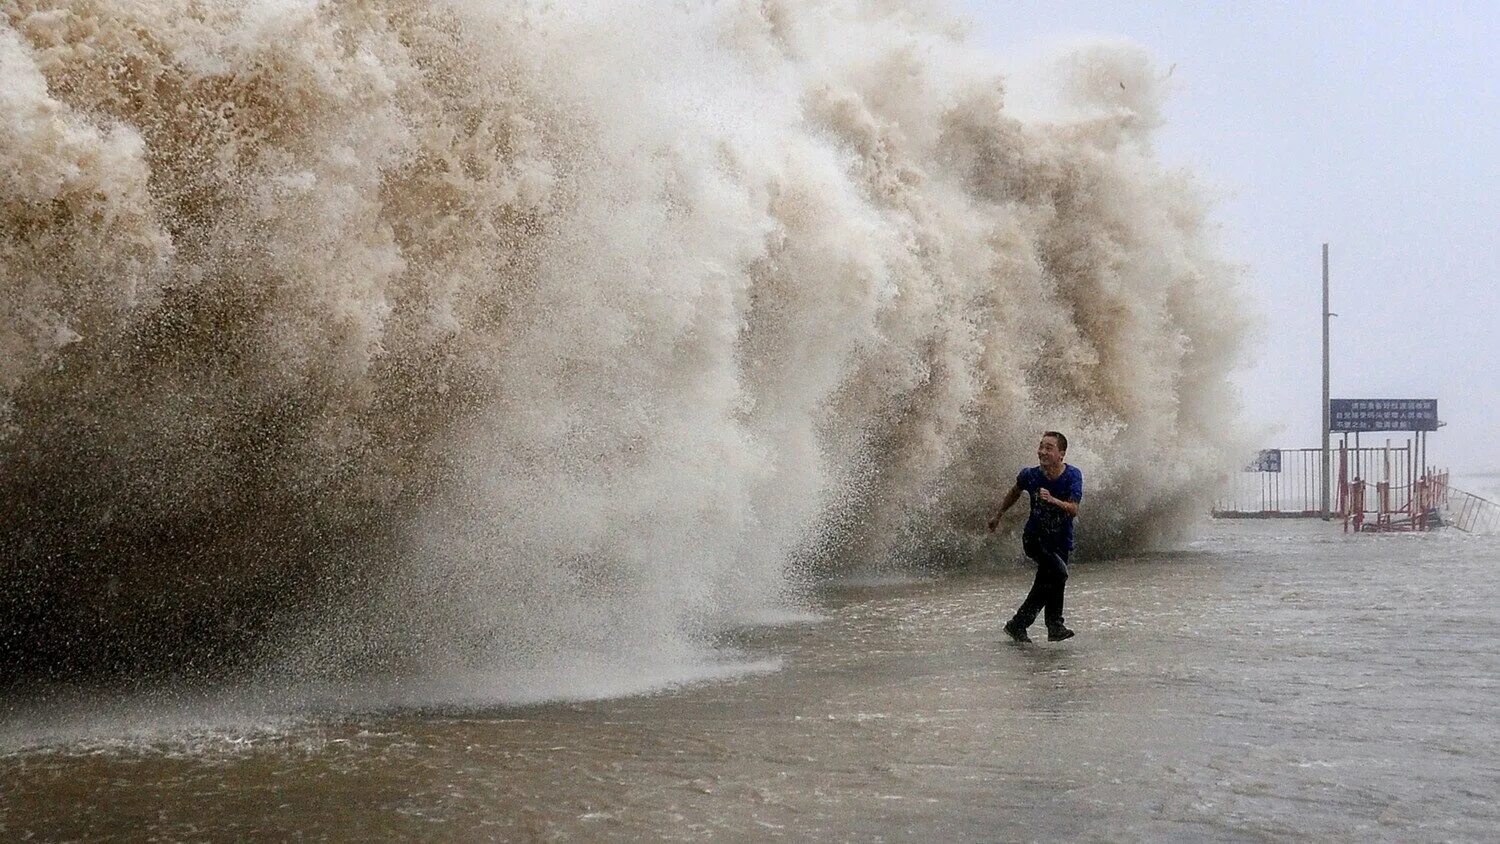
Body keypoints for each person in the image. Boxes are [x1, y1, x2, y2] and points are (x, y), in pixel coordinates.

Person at [987, 431, 1082, 643]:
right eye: (1041, 446)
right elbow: (1015, 491)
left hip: (1061, 540)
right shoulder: (1030, 475)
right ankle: (1054, 625)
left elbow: (1074, 509)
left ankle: (1018, 625)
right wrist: (998, 515)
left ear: (1061, 454)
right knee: (1058, 574)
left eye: (1049, 448)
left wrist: (1053, 500)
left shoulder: (1073, 476)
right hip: (1035, 539)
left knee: (1046, 583)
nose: (1042, 452)